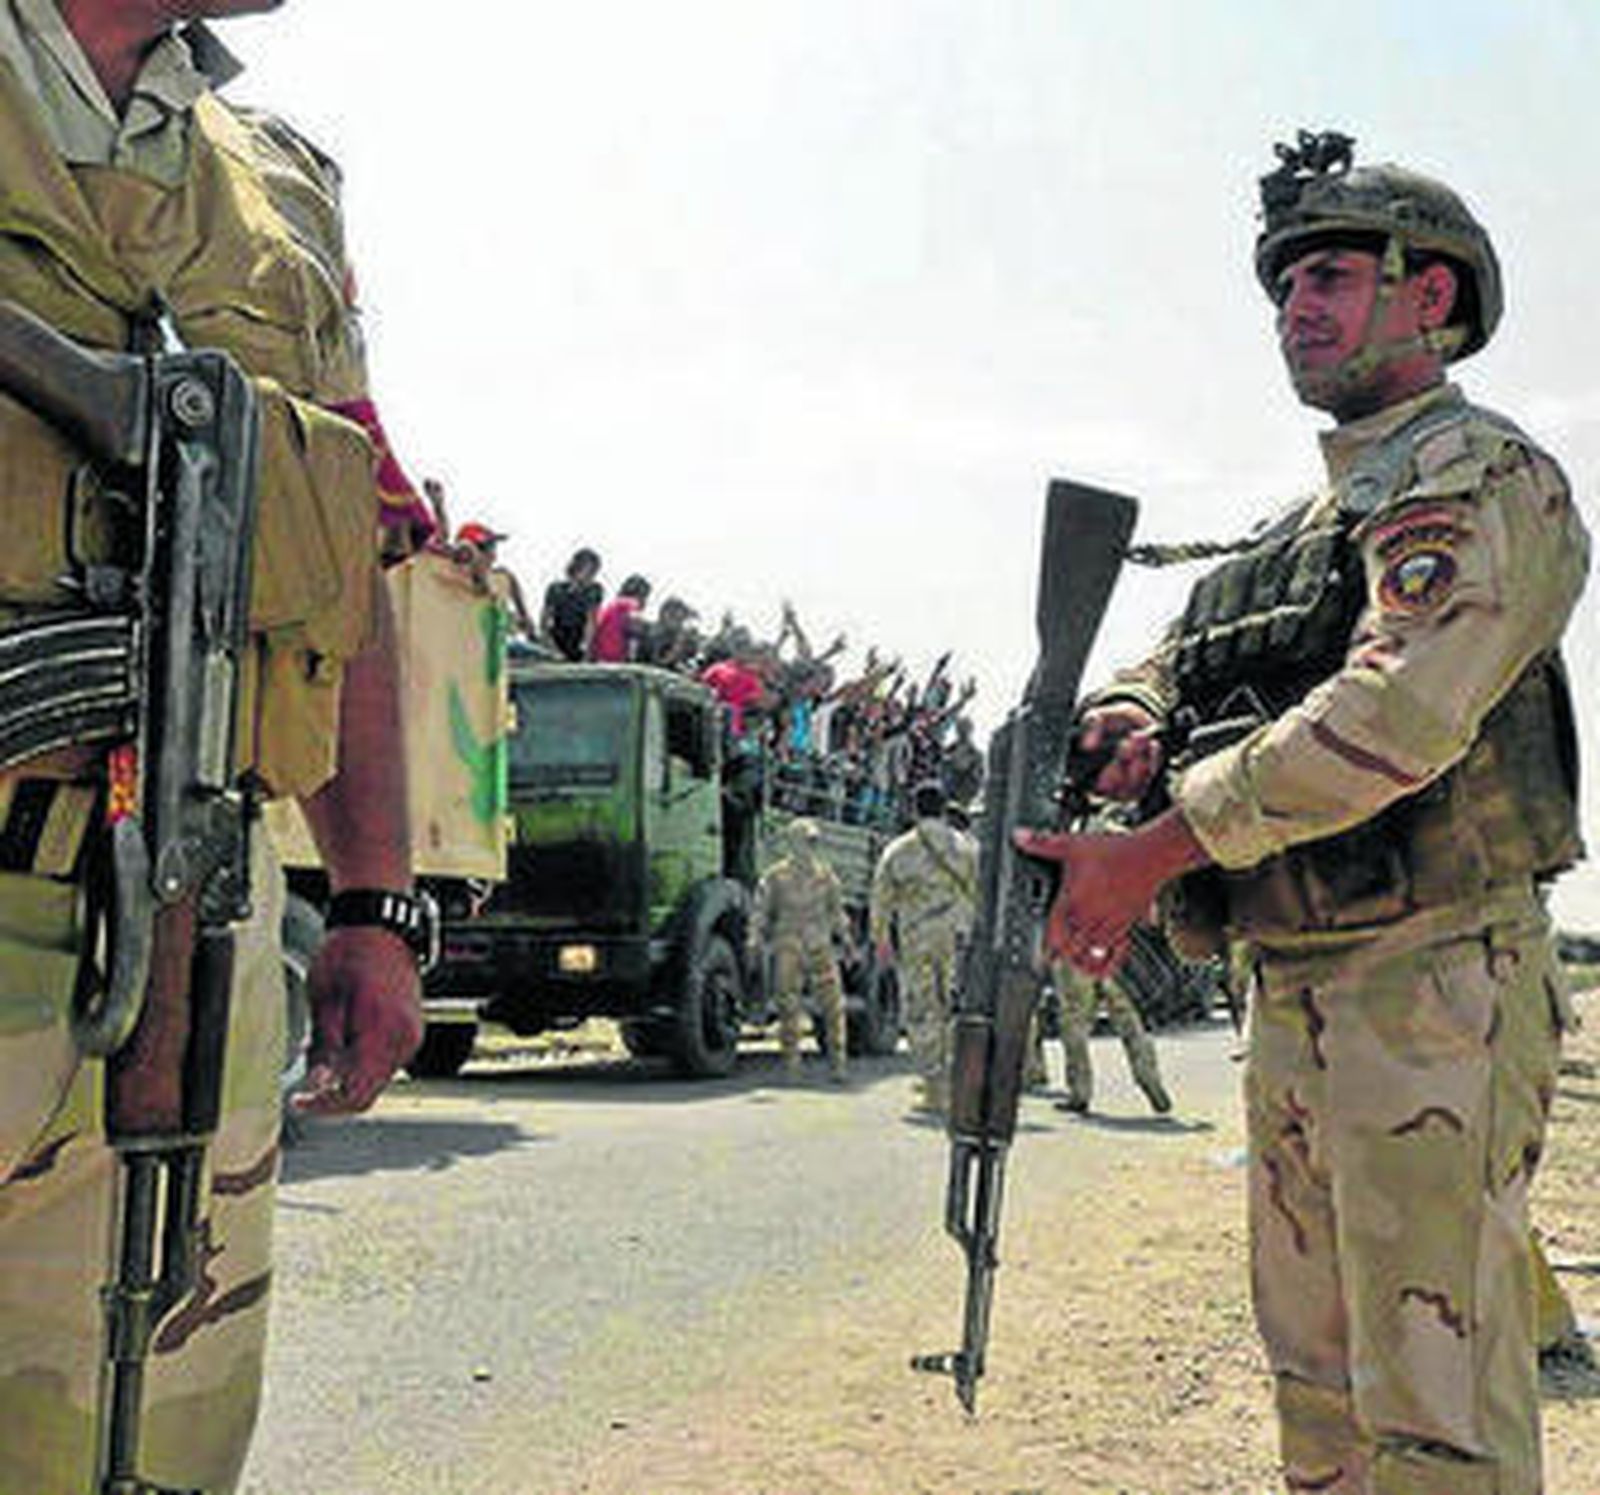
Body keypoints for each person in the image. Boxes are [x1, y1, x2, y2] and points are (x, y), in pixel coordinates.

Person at [1020, 131, 1589, 1494]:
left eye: (1332, 275)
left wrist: (1153, 850)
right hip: (1298, 980)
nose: (1298, 310)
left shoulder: (1476, 475)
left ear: (1432, 297)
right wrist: (1137, 718)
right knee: (1319, 1385)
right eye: (1285, 289)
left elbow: (1398, 710)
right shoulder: (1303, 525)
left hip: (1432, 975)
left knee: (1435, 1395)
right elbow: (1183, 653)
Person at [0, 5, 426, 1490]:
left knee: (146, 1445)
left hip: (196, 922)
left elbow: (343, 568)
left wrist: (374, 899)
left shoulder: (282, 187)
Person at [871, 781, 977, 1114]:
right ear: (945, 808)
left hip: (917, 938)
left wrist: (881, 939)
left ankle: (935, 1086)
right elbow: (981, 893)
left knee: (921, 1009)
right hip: (958, 937)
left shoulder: (899, 849)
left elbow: (881, 897)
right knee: (953, 1007)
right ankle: (954, 1080)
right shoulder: (966, 847)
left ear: (914, 809)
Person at [750, 819, 850, 1083]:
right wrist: (755, 939)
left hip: (820, 946)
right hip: (789, 946)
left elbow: (837, 912)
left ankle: (838, 1063)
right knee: (788, 1006)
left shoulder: (826, 875)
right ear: (793, 842)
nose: (810, 846)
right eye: (806, 841)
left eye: (813, 841)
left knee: (834, 1007)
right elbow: (761, 910)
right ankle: (792, 1065)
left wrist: (847, 941)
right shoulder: (774, 876)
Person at [1049, 959, 1172, 1116]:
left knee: (1074, 1022)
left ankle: (1079, 1093)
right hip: (1113, 951)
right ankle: (1150, 1080)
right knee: (1129, 1019)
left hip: (1073, 953)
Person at [453, 519, 537, 637]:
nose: (494, 556)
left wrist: (522, 619)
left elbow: (525, 623)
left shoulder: (501, 579)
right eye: (490, 548)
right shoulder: (450, 580)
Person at [540, 545, 603, 661]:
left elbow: (591, 623)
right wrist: (551, 649)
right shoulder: (555, 589)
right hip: (557, 640)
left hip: (578, 643)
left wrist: (586, 651)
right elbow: (545, 622)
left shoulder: (594, 590)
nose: (591, 576)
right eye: (588, 570)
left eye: (593, 572)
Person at [588, 571, 650, 662]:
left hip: (599, 656)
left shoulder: (610, 606)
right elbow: (636, 624)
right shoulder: (629, 604)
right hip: (613, 657)